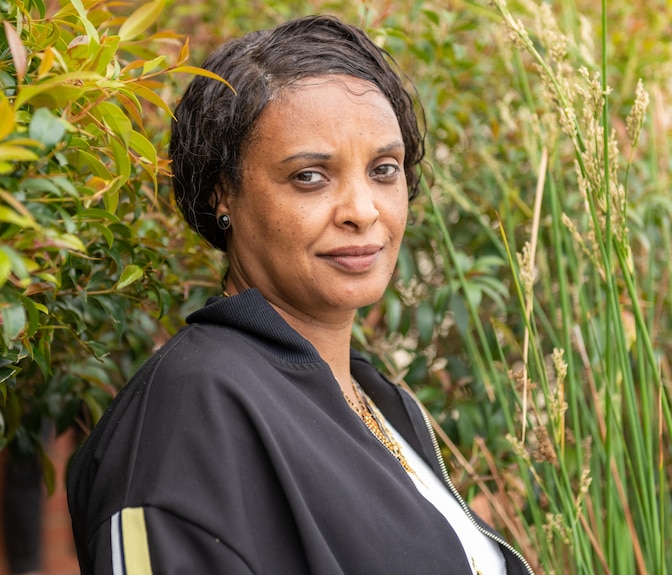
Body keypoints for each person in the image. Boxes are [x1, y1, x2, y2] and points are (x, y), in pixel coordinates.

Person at [67, 14, 533, 575]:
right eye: (310, 176)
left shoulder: (374, 398)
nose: (363, 211)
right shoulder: (190, 419)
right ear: (223, 193)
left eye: (384, 169)